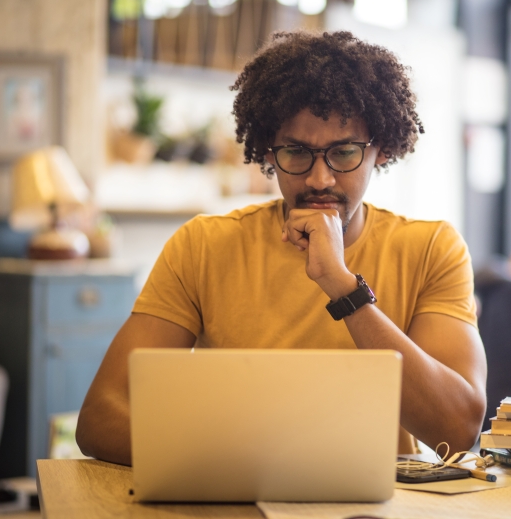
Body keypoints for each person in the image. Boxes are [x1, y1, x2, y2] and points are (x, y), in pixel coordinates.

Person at [76, 31, 487, 465]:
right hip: (236, 499)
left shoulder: (431, 249)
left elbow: (457, 430)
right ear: (267, 153)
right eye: (296, 153)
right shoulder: (204, 245)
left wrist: (343, 287)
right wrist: (250, 464)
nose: (319, 180)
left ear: (380, 149)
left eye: (344, 152)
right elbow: (101, 418)